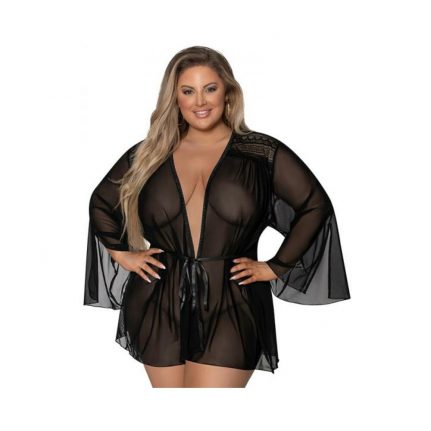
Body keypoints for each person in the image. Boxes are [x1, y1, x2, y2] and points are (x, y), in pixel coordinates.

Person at [83, 46, 350, 388]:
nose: (200, 101)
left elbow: (314, 206)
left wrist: (275, 266)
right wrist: (123, 255)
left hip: (232, 301)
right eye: (187, 91)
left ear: (228, 92)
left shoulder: (260, 153)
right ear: (174, 97)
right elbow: (102, 202)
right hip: (158, 299)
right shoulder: (150, 153)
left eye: (210, 88)